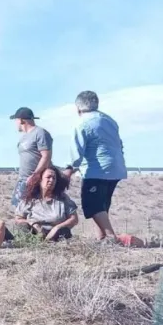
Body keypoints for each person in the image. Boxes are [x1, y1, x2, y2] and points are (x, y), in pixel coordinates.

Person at [62, 90, 127, 241]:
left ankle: (111, 238)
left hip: (97, 170)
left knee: (92, 205)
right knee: (103, 205)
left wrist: (68, 171)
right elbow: (120, 144)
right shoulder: (109, 120)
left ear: (78, 108)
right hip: (116, 168)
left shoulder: (83, 123)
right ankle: (101, 238)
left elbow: (76, 150)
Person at [13, 165, 79, 241]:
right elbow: (18, 218)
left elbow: (74, 219)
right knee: (23, 227)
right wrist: (33, 224)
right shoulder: (30, 199)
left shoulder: (63, 198)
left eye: (54, 178)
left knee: (64, 231)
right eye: (48, 177)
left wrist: (57, 228)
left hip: (57, 234)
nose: (51, 180)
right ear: (40, 180)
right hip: (34, 234)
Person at [10, 106, 53, 208]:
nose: (15, 123)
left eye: (16, 120)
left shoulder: (40, 133)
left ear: (21, 120)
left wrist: (35, 175)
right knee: (19, 210)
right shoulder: (23, 137)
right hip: (24, 180)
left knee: (37, 210)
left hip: (37, 180)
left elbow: (46, 156)